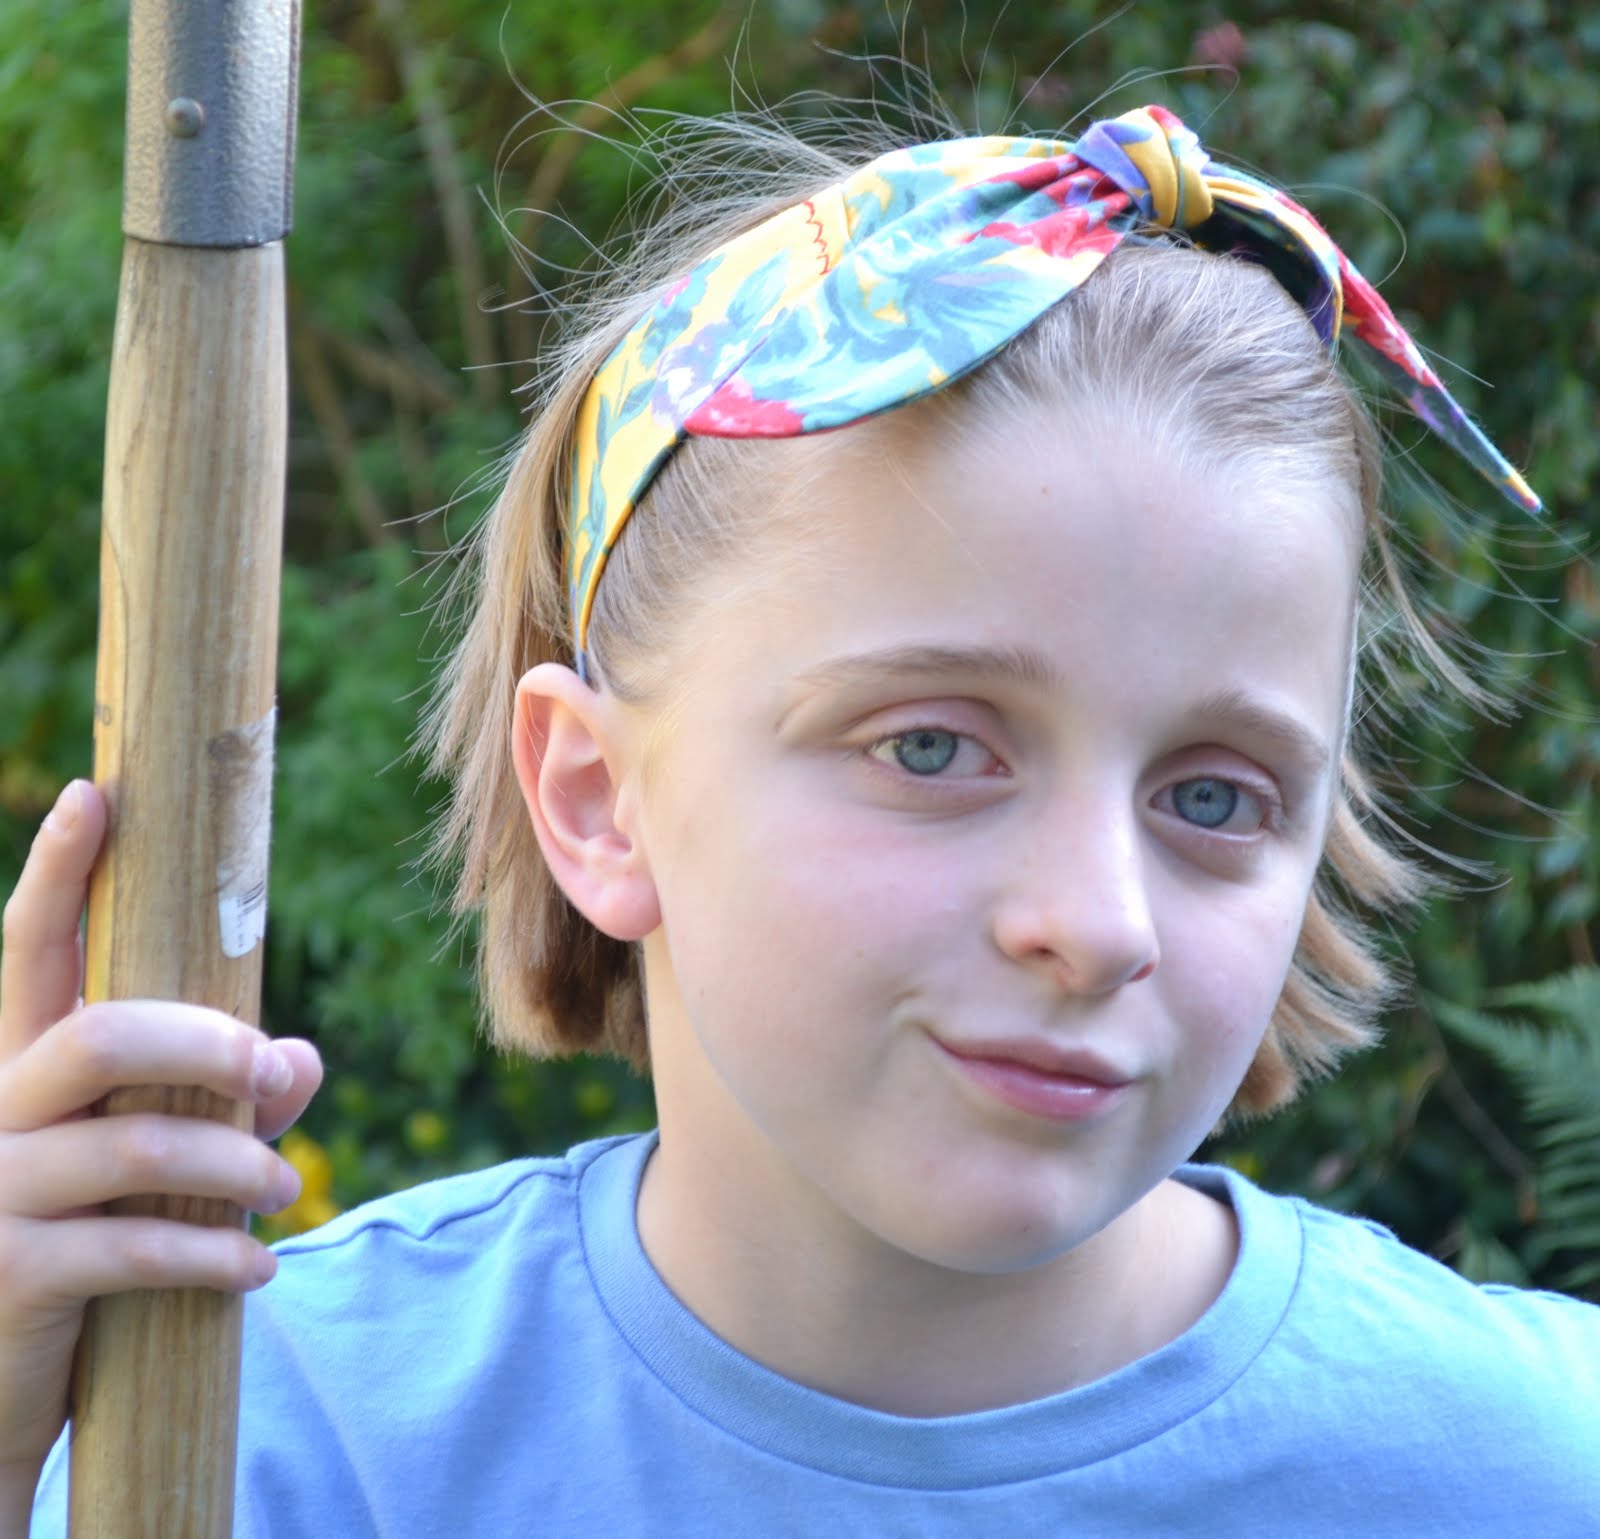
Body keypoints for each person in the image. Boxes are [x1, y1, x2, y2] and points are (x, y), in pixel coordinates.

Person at [11, 103, 1598, 1535]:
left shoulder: (1533, 1474)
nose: (1098, 922)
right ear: (597, 798)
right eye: (930, 748)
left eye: (1210, 797)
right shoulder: (267, 1448)